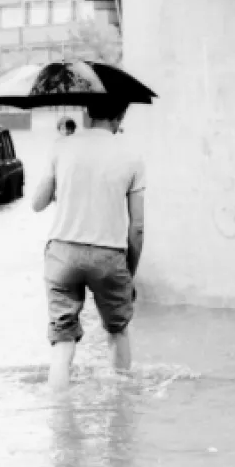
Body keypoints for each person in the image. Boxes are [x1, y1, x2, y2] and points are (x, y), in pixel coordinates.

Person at [30, 99, 146, 391]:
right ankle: (121, 412)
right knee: (118, 332)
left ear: (86, 113)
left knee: (62, 342)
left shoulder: (62, 146)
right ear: (119, 116)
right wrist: (129, 270)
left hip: (62, 254)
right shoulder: (132, 156)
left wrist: (60, 179)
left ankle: (60, 418)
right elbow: (137, 227)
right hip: (109, 256)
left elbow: (37, 203)